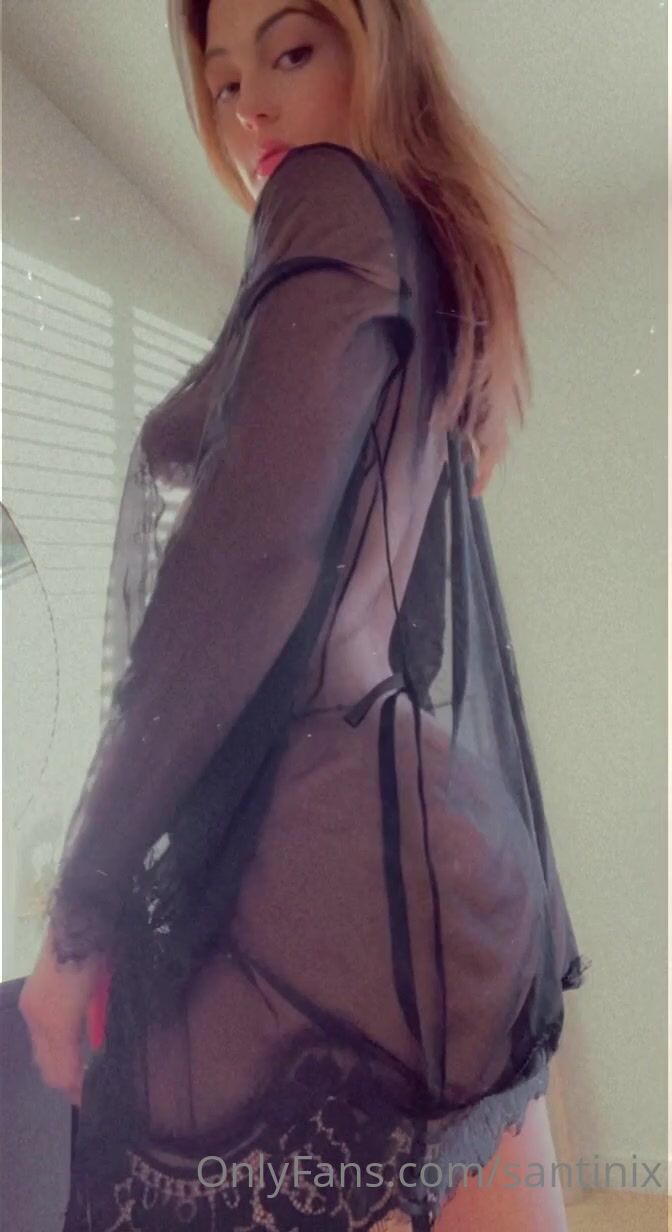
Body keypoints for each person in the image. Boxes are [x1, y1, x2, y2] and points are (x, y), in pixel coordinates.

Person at [19, 1, 589, 1229]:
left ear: (376, 52)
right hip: (431, 847)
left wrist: (83, 904)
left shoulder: (326, 197)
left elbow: (248, 556)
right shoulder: (416, 251)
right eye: (225, 83)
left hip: (320, 869)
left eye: (290, 52)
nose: (252, 113)